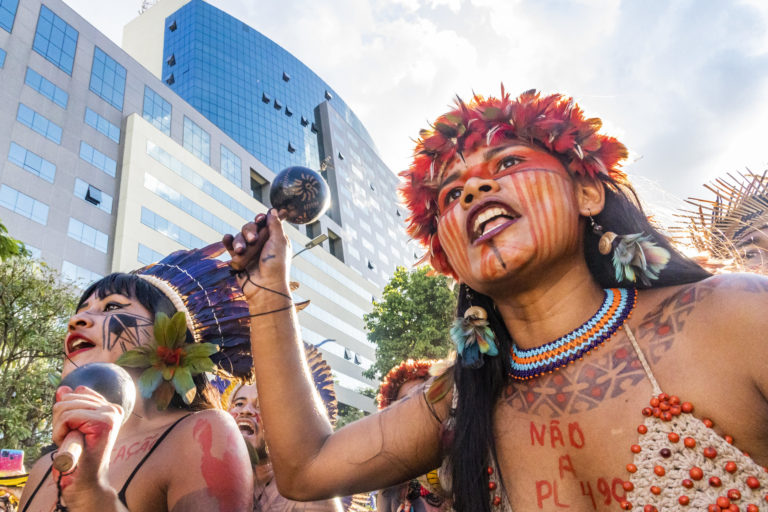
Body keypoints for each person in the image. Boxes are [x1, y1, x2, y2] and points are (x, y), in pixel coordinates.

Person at [225, 88, 768, 512]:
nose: (474, 191)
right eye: (452, 194)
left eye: (507, 164)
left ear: (587, 191)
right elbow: (306, 469)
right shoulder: (458, 401)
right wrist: (269, 289)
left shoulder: (734, 314)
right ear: (450, 258)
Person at [19, 244, 253, 511]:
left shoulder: (202, 434)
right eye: (81, 310)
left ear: (171, 337)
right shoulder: (42, 468)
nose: (77, 320)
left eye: (111, 307)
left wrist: (95, 499)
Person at [224, 343, 343, 512]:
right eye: (239, 403)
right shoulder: (210, 481)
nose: (246, 411)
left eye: (261, 406)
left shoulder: (309, 494)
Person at [374, 360, 450, 512]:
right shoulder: (389, 475)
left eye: (422, 397)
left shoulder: (459, 454)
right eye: (404, 402)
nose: (414, 409)